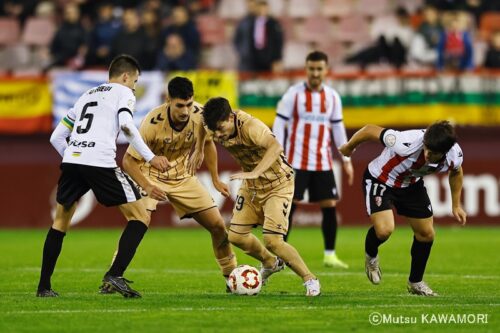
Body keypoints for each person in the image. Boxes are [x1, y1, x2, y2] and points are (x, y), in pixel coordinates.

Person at [36, 54, 170, 298]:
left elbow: (56, 136)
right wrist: (151, 157)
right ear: (126, 76)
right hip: (99, 162)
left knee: (60, 222)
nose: (134, 87)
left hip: (73, 161)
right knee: (140, 217)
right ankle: (115, 274)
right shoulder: (123, 93)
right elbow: (128, 126)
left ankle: (44, 286)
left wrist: (75, 155)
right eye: (135, 81)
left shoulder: (86, 95)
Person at [101, 77, 237, 293]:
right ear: (168, 100)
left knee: (218, 226)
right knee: (139, 221)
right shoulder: (151, 123)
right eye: (180, 105)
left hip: (183, 177)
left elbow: (209, 143)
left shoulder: (200, 115)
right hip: (150, 174)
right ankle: (113, 277)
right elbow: (128, 161)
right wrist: (146, 186)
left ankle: (232, 278)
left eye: (189, 104)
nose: (185, 111)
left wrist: (215, 178)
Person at [201, 97, 320, 296]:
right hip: (252, 186)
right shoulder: (213, 127)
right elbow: (205, 140)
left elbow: (276, 147)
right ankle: (270, 262)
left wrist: (256, 172)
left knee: (273, 241)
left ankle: (310, 279)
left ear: (231, 117)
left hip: (278, 183)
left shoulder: (251, 126)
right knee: (236, 237)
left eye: (221, 129)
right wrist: (214, 178)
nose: (218, 136)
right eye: (215, 131)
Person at [339, 121, 467, 296]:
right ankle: (371, 256)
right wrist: (349, 147)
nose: (428, 154)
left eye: (434, 153)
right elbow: (369, 130)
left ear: (444, 151)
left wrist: (456, 205)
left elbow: (456, 172)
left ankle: (415, 282)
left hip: (411, 186)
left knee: (426, 234)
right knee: (384, 230)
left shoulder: (455, 155)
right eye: (427, 148)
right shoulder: (406, 142)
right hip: (381, 179)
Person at [272, 51, 353, 269]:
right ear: (306, 69)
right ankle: (279, 255)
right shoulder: (294, 94)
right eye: (311, 69)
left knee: (329, 205)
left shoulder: (332, 97)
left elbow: (337, 128)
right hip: (296, 161)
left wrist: (346, 159)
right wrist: (277, 152)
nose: (315, 73)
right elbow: (279, 123)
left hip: (322, 161)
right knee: (291, 205)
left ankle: (330, 255)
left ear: (326, 70)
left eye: (319, 69)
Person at [233, 0, 284, 72]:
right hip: (250, 60)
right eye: (260, 9)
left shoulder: (273, 23)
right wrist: (244, 54)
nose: (262, 11)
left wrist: (277, 58)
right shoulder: (247, 22)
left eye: (264, 9)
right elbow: (238, 40)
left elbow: (278, 42)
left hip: (268, 60)